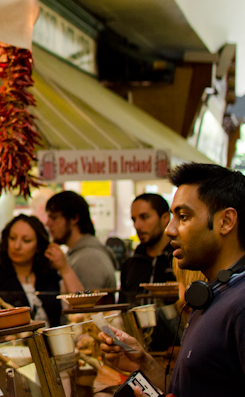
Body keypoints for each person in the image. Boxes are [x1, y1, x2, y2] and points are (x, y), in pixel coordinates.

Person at [100, 163, 245, 396]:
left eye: (184, 216)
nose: (170, 230)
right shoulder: (209, 296)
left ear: (226, 221)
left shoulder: (240, 306)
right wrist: (144, 364)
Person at [0, 215, 83, 327]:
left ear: (38, 246)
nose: (17, 246)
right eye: (12, 238)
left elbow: (81, 307)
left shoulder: (49, 277)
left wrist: (64, 268)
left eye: (26, 241)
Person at [45, 190, 117, 292]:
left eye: (54, 217)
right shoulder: (81, 254)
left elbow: (86, 305)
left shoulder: (89, 259)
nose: (48, 223)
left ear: (74, 218)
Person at [120, 193, 175, 303]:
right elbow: (123, 309)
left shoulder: (181, 258)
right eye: (134, 220)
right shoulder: (130, 264)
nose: (137, 226)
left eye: (144, 217)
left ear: (165, 218)